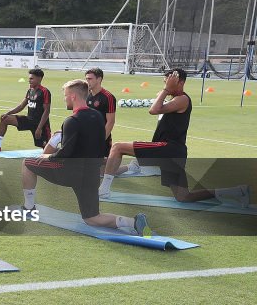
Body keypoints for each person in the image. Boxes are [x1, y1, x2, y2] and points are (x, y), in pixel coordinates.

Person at [99, 69, 250, 205]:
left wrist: (165, 90)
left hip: (168, 148)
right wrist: (166, 90)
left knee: (118, 147)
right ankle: (236, 191)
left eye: (170, 82)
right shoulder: (174, 99)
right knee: (184, 197)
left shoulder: (182, 99)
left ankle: (104, 190)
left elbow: (154, 110)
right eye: (165, 82)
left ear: (181, 82)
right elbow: (158, 107)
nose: (167, 85)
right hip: (173, 152)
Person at [21, 79, 151, 235]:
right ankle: (133, 222)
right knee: (92, 218)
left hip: (69, 173)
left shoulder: (71, 120)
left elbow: (65, 154)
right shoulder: (97, 116)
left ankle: (29, 208)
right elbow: (100, 145)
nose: (65, 99)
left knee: (27, 163)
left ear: (74, 96)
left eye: (66, 95)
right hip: (91, 175)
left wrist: (47, 156)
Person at [0, 69, 51, 152]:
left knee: (48, 151)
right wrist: (7, 113)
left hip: (41, 124)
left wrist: (39, 128)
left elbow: (46, 111)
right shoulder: (30, 91)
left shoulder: (45, 91)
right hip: (29, 120)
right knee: (4, 118)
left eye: (31, 78)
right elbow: (21, 106)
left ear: (39, 78)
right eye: (29, 78)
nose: (29, 81)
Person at [85, 68, 117, 153]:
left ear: (99, 79)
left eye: (90, 79)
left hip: (100, 139)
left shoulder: (108, 97)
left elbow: (110, 122)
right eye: (86, 79)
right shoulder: (85, 95)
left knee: (101, 165)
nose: (87, 81)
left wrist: (100, 141)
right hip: (86, 137)